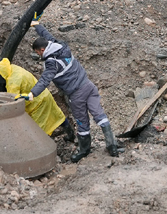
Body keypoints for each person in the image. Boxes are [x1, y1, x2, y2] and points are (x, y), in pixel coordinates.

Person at [25, 13, 118, 162]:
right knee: (99, 115)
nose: (38, 55)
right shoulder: (60, 46)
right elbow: (47, 35)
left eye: (37, 52)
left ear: (42, 50)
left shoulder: (51, 62)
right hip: (89, 85)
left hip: (77, 94)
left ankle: (84, 150)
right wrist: (36, 25)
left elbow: (45, 79)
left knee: (82, 122)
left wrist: (32, 94)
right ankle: (112, 146)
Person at [0, 57, 75, 140]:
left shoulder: (13, 83)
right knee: (57, 115)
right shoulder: (11, 68)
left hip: (37, 104)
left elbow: (12, 101)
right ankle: (71, 134)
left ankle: (45, 149)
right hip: (43, 94)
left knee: (38, 132)